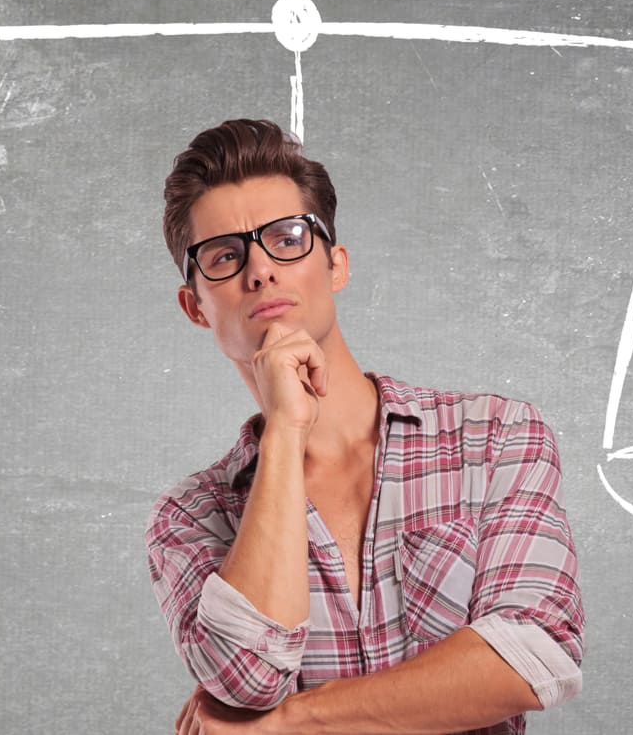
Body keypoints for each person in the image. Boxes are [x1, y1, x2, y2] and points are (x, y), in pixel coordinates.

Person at [145, 119, 583, 735]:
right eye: (225, 256)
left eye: (287, 238)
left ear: (336, 265)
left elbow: (535, 656)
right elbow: (245, 676)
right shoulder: (190, 517)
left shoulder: (496, 437)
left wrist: (296, 720)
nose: (261, 270)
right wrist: (285, 437)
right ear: (196, 307)